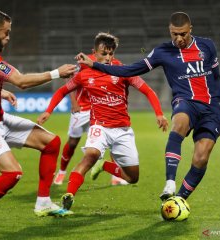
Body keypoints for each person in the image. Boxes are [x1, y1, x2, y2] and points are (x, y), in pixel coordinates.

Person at [76, 12, 220, 201]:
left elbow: (216, 80)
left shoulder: (207, 46)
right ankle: (170, 182)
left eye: (183, 34)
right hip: (185, 102)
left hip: (211, 108)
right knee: (179, 123)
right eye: (174, 34)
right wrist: (94, 65)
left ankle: (179, 199)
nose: (179, 38)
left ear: (191, 30)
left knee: (201, 157)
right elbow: (129, 70)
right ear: (169, 31)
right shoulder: (162, 52)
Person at [0, 9, 76, 230]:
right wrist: (55, 73)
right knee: (13, 173)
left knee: (51, 143)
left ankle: (43, 203)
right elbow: (21, 81)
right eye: (6, 32)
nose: (9, 37)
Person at [37, 32, 168, 211]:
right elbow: (62, 91)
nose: (107, 58)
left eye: (110, 54)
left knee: (132, 178)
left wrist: (159, 114)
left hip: (122, 130)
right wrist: (48, 111)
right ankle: (68, 196)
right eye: (103, 54)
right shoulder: (85, 74)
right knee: (89, 155)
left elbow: (148, 91)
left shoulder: (123, 71)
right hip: (99, 126)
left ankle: (104, 165)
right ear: (94, 53)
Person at [53, 55, 128, 186]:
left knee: (112, 141)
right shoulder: (85, 61)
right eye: (104, 50)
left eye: (110, 51)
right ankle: (62, 172)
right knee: (72, 142)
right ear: (96, 50)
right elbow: (69, 78)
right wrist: (74, 102)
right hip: (82, 109)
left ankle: (115, 176)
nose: (107, 54)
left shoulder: (115, 63)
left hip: (101, 108)